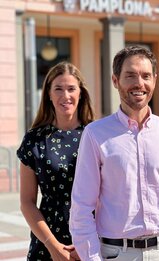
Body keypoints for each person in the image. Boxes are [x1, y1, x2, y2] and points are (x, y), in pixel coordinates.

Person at [69, 45, 159, 261]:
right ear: (115, 80)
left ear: (154, 80)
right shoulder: (95, 134)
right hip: (116, 254)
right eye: (130, 75)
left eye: (145, 76)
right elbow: (82, 207)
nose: (139, 83)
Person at [17, 61, 95, 260]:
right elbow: (27, 202)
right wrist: (52, 245)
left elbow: (109, 197)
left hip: (91, 241)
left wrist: (86, 244)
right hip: (47, 243)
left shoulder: (96, 135)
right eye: (58, 89)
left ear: (80, 94)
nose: (65, 95)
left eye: (71, 89)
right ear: (49, 95)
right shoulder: (34, 139)